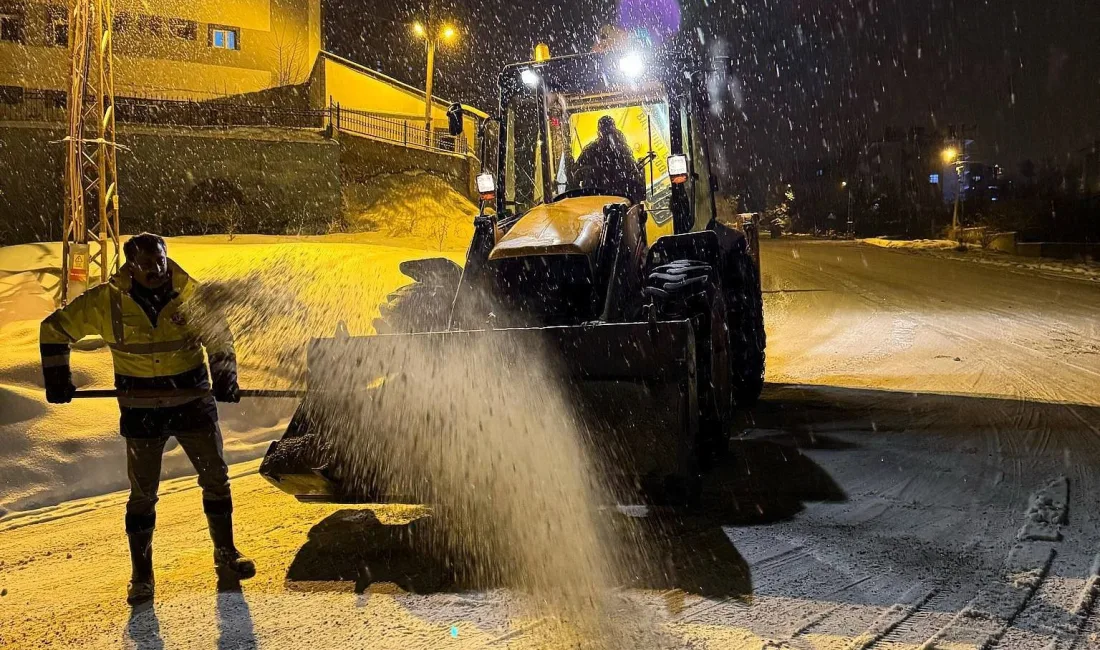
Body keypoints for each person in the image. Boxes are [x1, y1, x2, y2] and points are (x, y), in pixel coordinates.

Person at [40, 233, 254, 605]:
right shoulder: (106, 302)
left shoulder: (191, 295)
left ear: (166, 257)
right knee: (143, 495)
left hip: (192, 404)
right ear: (130, 266)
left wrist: (224, 378)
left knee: (216, 480)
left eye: (160, 261)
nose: (155, 270)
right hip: (142, 413)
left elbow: (219, 337)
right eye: (146, 264)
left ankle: (226, 554)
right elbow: (53, 329)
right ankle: (142, 576)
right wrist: (58, 379)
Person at [574, 115, 646, 204]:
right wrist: (590, 171)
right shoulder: (590, 151)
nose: (607, 136)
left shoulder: (622, 150)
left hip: (620, 200)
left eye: (609, 131)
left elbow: (632, 174)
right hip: (595, 200)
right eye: (605, 132)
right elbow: (576, 174)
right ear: (599, 133)